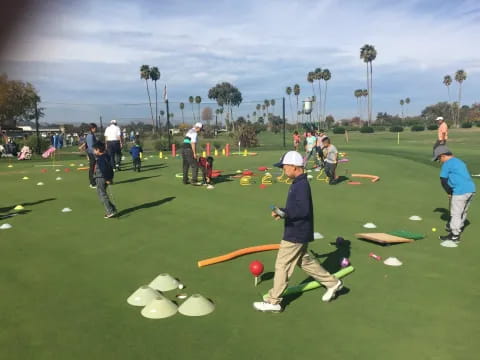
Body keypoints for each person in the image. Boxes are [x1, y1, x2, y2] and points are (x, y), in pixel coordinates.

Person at [253, 151, 343, 312]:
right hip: (300, 231)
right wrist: (283, 211)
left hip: (296, 233)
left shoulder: (301, 185)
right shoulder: (299, 183)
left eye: (284, 167)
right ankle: (333, 283)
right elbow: (297, 208)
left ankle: (274, 302)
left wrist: (285, 213)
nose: (283, 170)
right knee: (305, 262)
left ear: (294, 167)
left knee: (282, 265)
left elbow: (302, 210)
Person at [433, 145, 475, 243]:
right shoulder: (459, 161)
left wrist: (449, 192)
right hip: (471, 190)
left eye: (439, 159)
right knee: (463, 212)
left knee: (455, 213)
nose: (439, 161)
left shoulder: (447, 164)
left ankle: (454, 235)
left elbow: (443, 180)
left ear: (442, 156)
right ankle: (457, 228)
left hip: (460, 191)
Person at [92, 141, 116, 218]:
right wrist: (110, 178)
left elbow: (105, 169)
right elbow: (110, 168)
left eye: (94, 150)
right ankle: (112, 208)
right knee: (101, 194)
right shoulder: (105, 156)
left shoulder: (101, 159)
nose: (93, 151)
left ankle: (110, 211)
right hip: (103, 178)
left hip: (101, 178)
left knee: (102, 195)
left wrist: (107, 178)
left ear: (98, 150)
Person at [79, 123, 97, 188]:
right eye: (95, 128)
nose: (95, 129)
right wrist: (95, 153)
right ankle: (92, 183)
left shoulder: (89, 135)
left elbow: (86, 144)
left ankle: (93, 181)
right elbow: (91, 146)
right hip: (92, 153)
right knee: (92, 168)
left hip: (91, 153)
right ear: (92, 128)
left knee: (93, 168)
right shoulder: (91, 136)